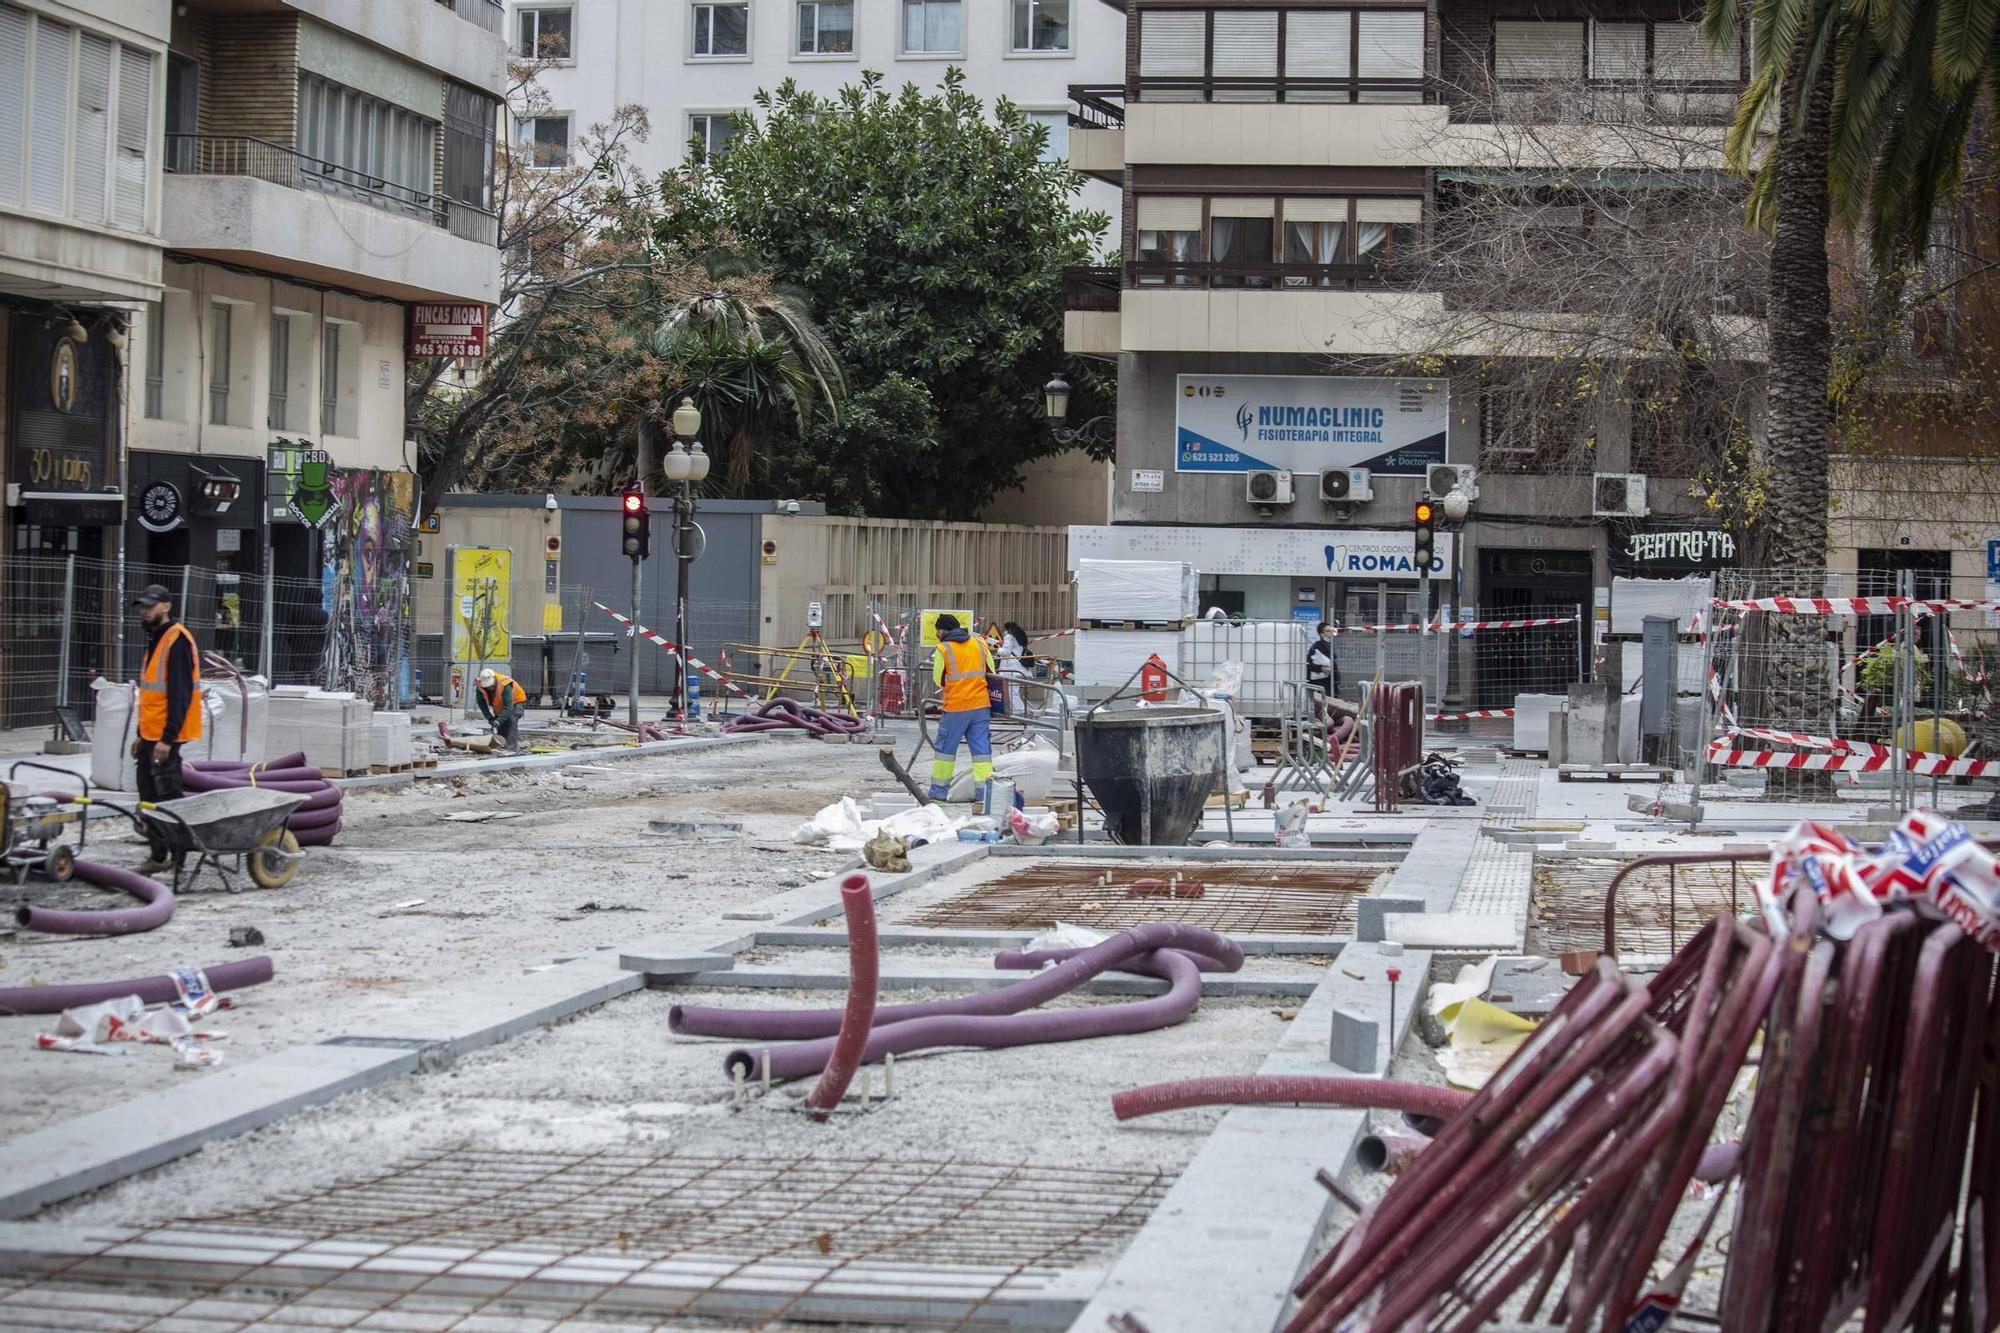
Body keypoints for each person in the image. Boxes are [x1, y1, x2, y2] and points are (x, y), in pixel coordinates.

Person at [132, 584, 202, 877]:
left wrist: (167, 739)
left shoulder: (177, 641)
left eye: (150, 606)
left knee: (169, 799)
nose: (144, 611)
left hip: (165, 738)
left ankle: (179, 858)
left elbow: (179, 694)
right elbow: (150, 695)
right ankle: (158, 855)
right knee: (148, 798)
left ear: (166, 606)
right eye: (142, 606)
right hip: (150, 734)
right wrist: (140, 733)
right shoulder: (155, 639)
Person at [928, 614, 996, 802]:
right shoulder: (980, 643)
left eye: (938, 630)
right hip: (981, 706)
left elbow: (938, 680)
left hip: (957, 707)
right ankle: (985, 793)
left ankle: (938, 792)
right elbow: (992, 671)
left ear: (945, 630)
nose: (936, 634)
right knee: (982, 752)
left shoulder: (944, 649)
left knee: (945, 752)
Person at [475, 667, 526, 750]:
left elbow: (509, 707)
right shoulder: (480, 684)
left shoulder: (504, 684)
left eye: (491, 686)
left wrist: (498, 721)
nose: (489, 688)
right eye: (487, 687)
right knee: (501, 724)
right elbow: (481, 702)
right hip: (499, 704)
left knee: (511, 720)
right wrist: (489, 717)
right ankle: (501, 745)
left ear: (494, 679)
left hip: (516, 702)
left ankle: (511, 747)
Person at [998, 621, 1035, 717]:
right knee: (1014, 691)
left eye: (1004, 630)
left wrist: (998, 648)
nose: (1004, 632)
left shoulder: (1009, 637)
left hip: (1011, 668)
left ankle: (1018, 711)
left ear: (1008, 629)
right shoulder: (1020, 637)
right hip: (1018, 668)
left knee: (1011, 692)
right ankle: (1019, 710)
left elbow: (1005, 652)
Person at [1306, 621, 1341, 704]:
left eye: (1331, 630)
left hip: (1330, 682)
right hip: (1321, 683)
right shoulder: (1317, 647)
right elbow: (1308, 664)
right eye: (1328, 631)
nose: (1331, 633)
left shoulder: (1330, 645)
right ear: (1321, 634)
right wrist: (1320, 668)